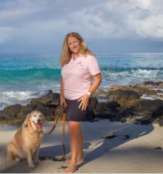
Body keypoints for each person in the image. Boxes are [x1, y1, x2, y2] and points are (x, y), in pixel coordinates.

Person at [60, 32, 102, 173]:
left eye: (74, 42)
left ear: (80, 41)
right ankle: (80, 157)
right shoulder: (68, 59)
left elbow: (98, 79)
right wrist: (61, 96)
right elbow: (63, 78)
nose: (73, 45)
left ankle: (73, 163)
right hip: (68, 100)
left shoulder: (89, 58)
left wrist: (87, 95)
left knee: (72, 129)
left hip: (80, 99)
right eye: (70, 43)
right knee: (77, 130)